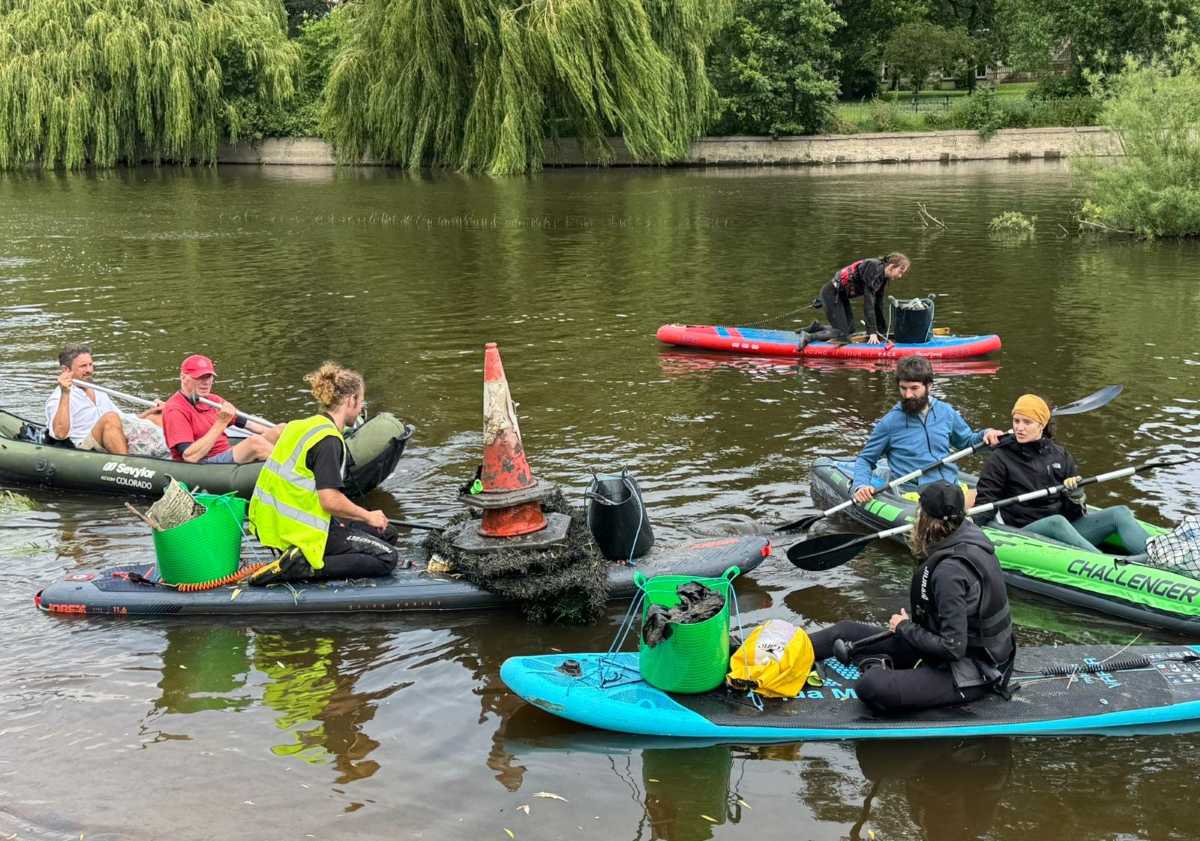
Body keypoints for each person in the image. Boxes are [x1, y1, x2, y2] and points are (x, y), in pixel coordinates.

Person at [808, 481, 1016, 713]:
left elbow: (953, 648)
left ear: (925, 519)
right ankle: (783, 653)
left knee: (871, 686)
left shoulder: (950, 572)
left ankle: (876, 663)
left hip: (972, 672)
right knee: (844, 630)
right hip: (946, 649)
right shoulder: (965, 535)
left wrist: (906, 628)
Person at [248, 362, 400, 582]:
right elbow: (329, 500)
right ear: (351, 400)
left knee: (387, 533)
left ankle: (297, 557)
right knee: (387, 557)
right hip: (301, 532)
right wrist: (368, 515)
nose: (361, 408)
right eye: (361, 401)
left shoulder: (300, 425)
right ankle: (300, 567)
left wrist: (351, 519)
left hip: (275, 527)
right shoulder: (328, 440)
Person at [974, 393, 1148, 555]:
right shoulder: (1001, 458)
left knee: (1120, 512)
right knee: (1056, 521)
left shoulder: (1059, 455)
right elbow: (984, 504)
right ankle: (1110, 565)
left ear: (1041, 425)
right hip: (1025, 533)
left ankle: (1160, 556)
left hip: (1063, 527)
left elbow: (1075, 515)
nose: (1020, 428)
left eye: (1027, 422)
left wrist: (1076, 497)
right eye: (1016, 421)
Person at [852, 355, 1002, 504]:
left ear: (929, 386)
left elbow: (967, 441)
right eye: (903, 388)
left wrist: (986, 434)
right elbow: (865, 459)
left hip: (950, 485)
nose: (908, 395)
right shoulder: (889, 423)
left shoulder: (946, 412)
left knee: (991, 496)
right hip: (914, 494)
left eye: (914, 388)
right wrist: (861, 485)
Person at [45, 343, 167, 456]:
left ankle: (174, 459)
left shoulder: (97, 391)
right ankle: (128, 467)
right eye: (83, 366)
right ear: (66, 370)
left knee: (158, 416)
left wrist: (150, 412)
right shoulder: (57, 398)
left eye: (90, 365)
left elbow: (122, 419)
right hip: (83, 448)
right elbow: (59, 434)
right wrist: (65, 393)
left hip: (109, 435)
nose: (89, 370)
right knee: (110, 418)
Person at [161, 354, 282, 464]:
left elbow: (250, 424)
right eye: (200, 377)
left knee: (282, 429)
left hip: (226, 452)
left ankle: (293, 465)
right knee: (255, 443)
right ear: (183, 377)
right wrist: (221, 422)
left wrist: (277, 431)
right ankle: (293, 476)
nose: (206, 382)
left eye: (209, 377)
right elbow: (190, 456)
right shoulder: (175, 409)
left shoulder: (213, 400)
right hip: (205, 463)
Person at [799, 253, 911, 348]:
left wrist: (881, 331)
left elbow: (878, 304)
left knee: (850, 329)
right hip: (832, 294)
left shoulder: (882, 278)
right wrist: (871, 332)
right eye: (900, 271)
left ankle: (817, 327)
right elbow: (869, 303)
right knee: (842, 335)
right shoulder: (873, 268)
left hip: (840, 297)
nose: (900, 276)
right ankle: (808, 337)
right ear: (891, 266)